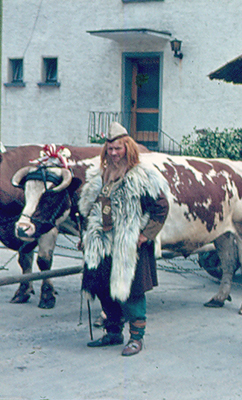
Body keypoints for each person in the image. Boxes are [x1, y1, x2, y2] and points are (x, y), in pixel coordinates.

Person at [79, 122, 170, 356]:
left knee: (131, 292)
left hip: (128, 245)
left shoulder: (142, 175)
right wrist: (87, 235)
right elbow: (88, 210)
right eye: (110, 149)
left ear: (127, 148)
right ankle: (113, 332)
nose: (113, 153)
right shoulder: (99, 175)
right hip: (102, 242)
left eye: (118, 149)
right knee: (102, 288)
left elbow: (161, 207)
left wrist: (144, 235)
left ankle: (136, 338)